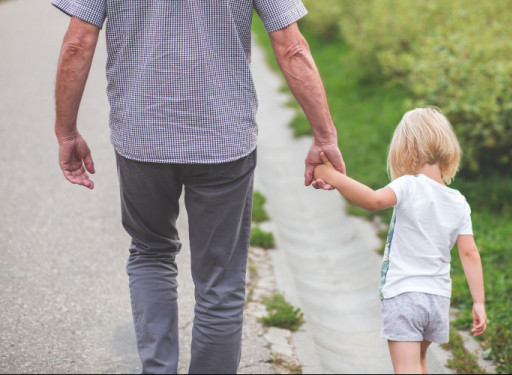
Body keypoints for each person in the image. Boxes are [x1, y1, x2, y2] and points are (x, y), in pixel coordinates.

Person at [52, 0, 344, 373]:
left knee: (150, 253)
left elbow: (78, 42)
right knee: (220, 282)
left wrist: (66, 130)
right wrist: (324, 134)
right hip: (224, 139)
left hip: (143, 138)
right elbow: (292, 47)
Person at [314, 107, 487, 374]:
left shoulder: (408, 185)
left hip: (404, 295)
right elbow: (469, 253)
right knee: (419, 363)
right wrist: (479, 302)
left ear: (405, 149)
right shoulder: (458, 201)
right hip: (438, 299)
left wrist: (334, 177)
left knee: (406, 368)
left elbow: (372, 200)